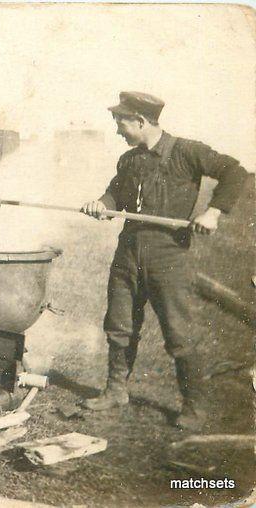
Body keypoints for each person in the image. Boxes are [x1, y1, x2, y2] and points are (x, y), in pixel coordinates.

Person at [80, 91, 248, 431]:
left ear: (141, 122)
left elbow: (235, 172)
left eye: (121, 123)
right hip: (128, 251)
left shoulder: (187, 152)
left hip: (168, 255)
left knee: (179, 332)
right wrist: (101, 202)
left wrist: (214, 212)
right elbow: (116, 192)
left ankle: (193, 408)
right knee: (119, 324)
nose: (117, 131)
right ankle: (116, 391)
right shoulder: (128, 161)